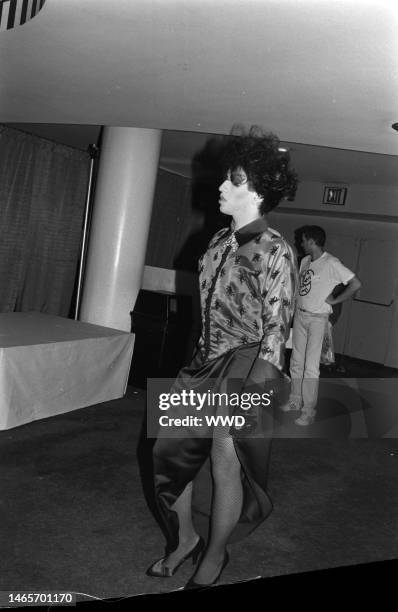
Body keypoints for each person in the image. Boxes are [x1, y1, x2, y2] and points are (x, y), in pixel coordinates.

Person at [147, 127, 298, 589]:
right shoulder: (214, 242)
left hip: (245, 365)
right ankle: (186, 538)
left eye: (232, 180)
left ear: (255, 191)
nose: (221, 186)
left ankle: (214, 554)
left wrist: (255, 392)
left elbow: (278, 327)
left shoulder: (276, 249)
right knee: (168, 453)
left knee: (223, 460)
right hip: (202, 362)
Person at [281, 225, 361, 426]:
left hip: (318, 319)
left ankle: (308, 411)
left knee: (311, 368)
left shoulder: (331, 263)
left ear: (311, 241)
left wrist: (334, 301)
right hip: (300, 316)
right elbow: (301, 288)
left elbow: (356, 284)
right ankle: (294, 400)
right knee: (296, 363)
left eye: (303, 240)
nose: (300, 243)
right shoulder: (306, 261)